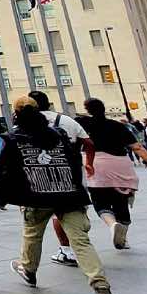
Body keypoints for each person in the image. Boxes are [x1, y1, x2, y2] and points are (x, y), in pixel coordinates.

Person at [0, 95, 117, 294]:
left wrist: (2, 197)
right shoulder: (59, 134)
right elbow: (73, 162)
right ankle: (101, 286)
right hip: (68, 195)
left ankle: (28, 270)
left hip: (36, 195)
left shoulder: (15, 137)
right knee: (81, 241)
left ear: (16, 113)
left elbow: (5, 170)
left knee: (32, 233)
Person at [79, 98, 147, 249]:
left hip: (95, 164)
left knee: (100, 201)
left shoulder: (83, 124)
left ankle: (112, 225)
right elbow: (137, 147)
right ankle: (122, 237)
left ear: (87, 110)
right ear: (104, 109)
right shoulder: (117, 126)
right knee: (121, 201)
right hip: (120, 164)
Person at [29, 90, 94, 269]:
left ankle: (65, 250)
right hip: (72, 174)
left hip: (42, 176)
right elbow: (89, 143)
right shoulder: (66, 120)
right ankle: (89, 264)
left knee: (41, 222)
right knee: (73, 210)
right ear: (48, 103)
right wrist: (89, 163)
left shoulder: (26, 124)